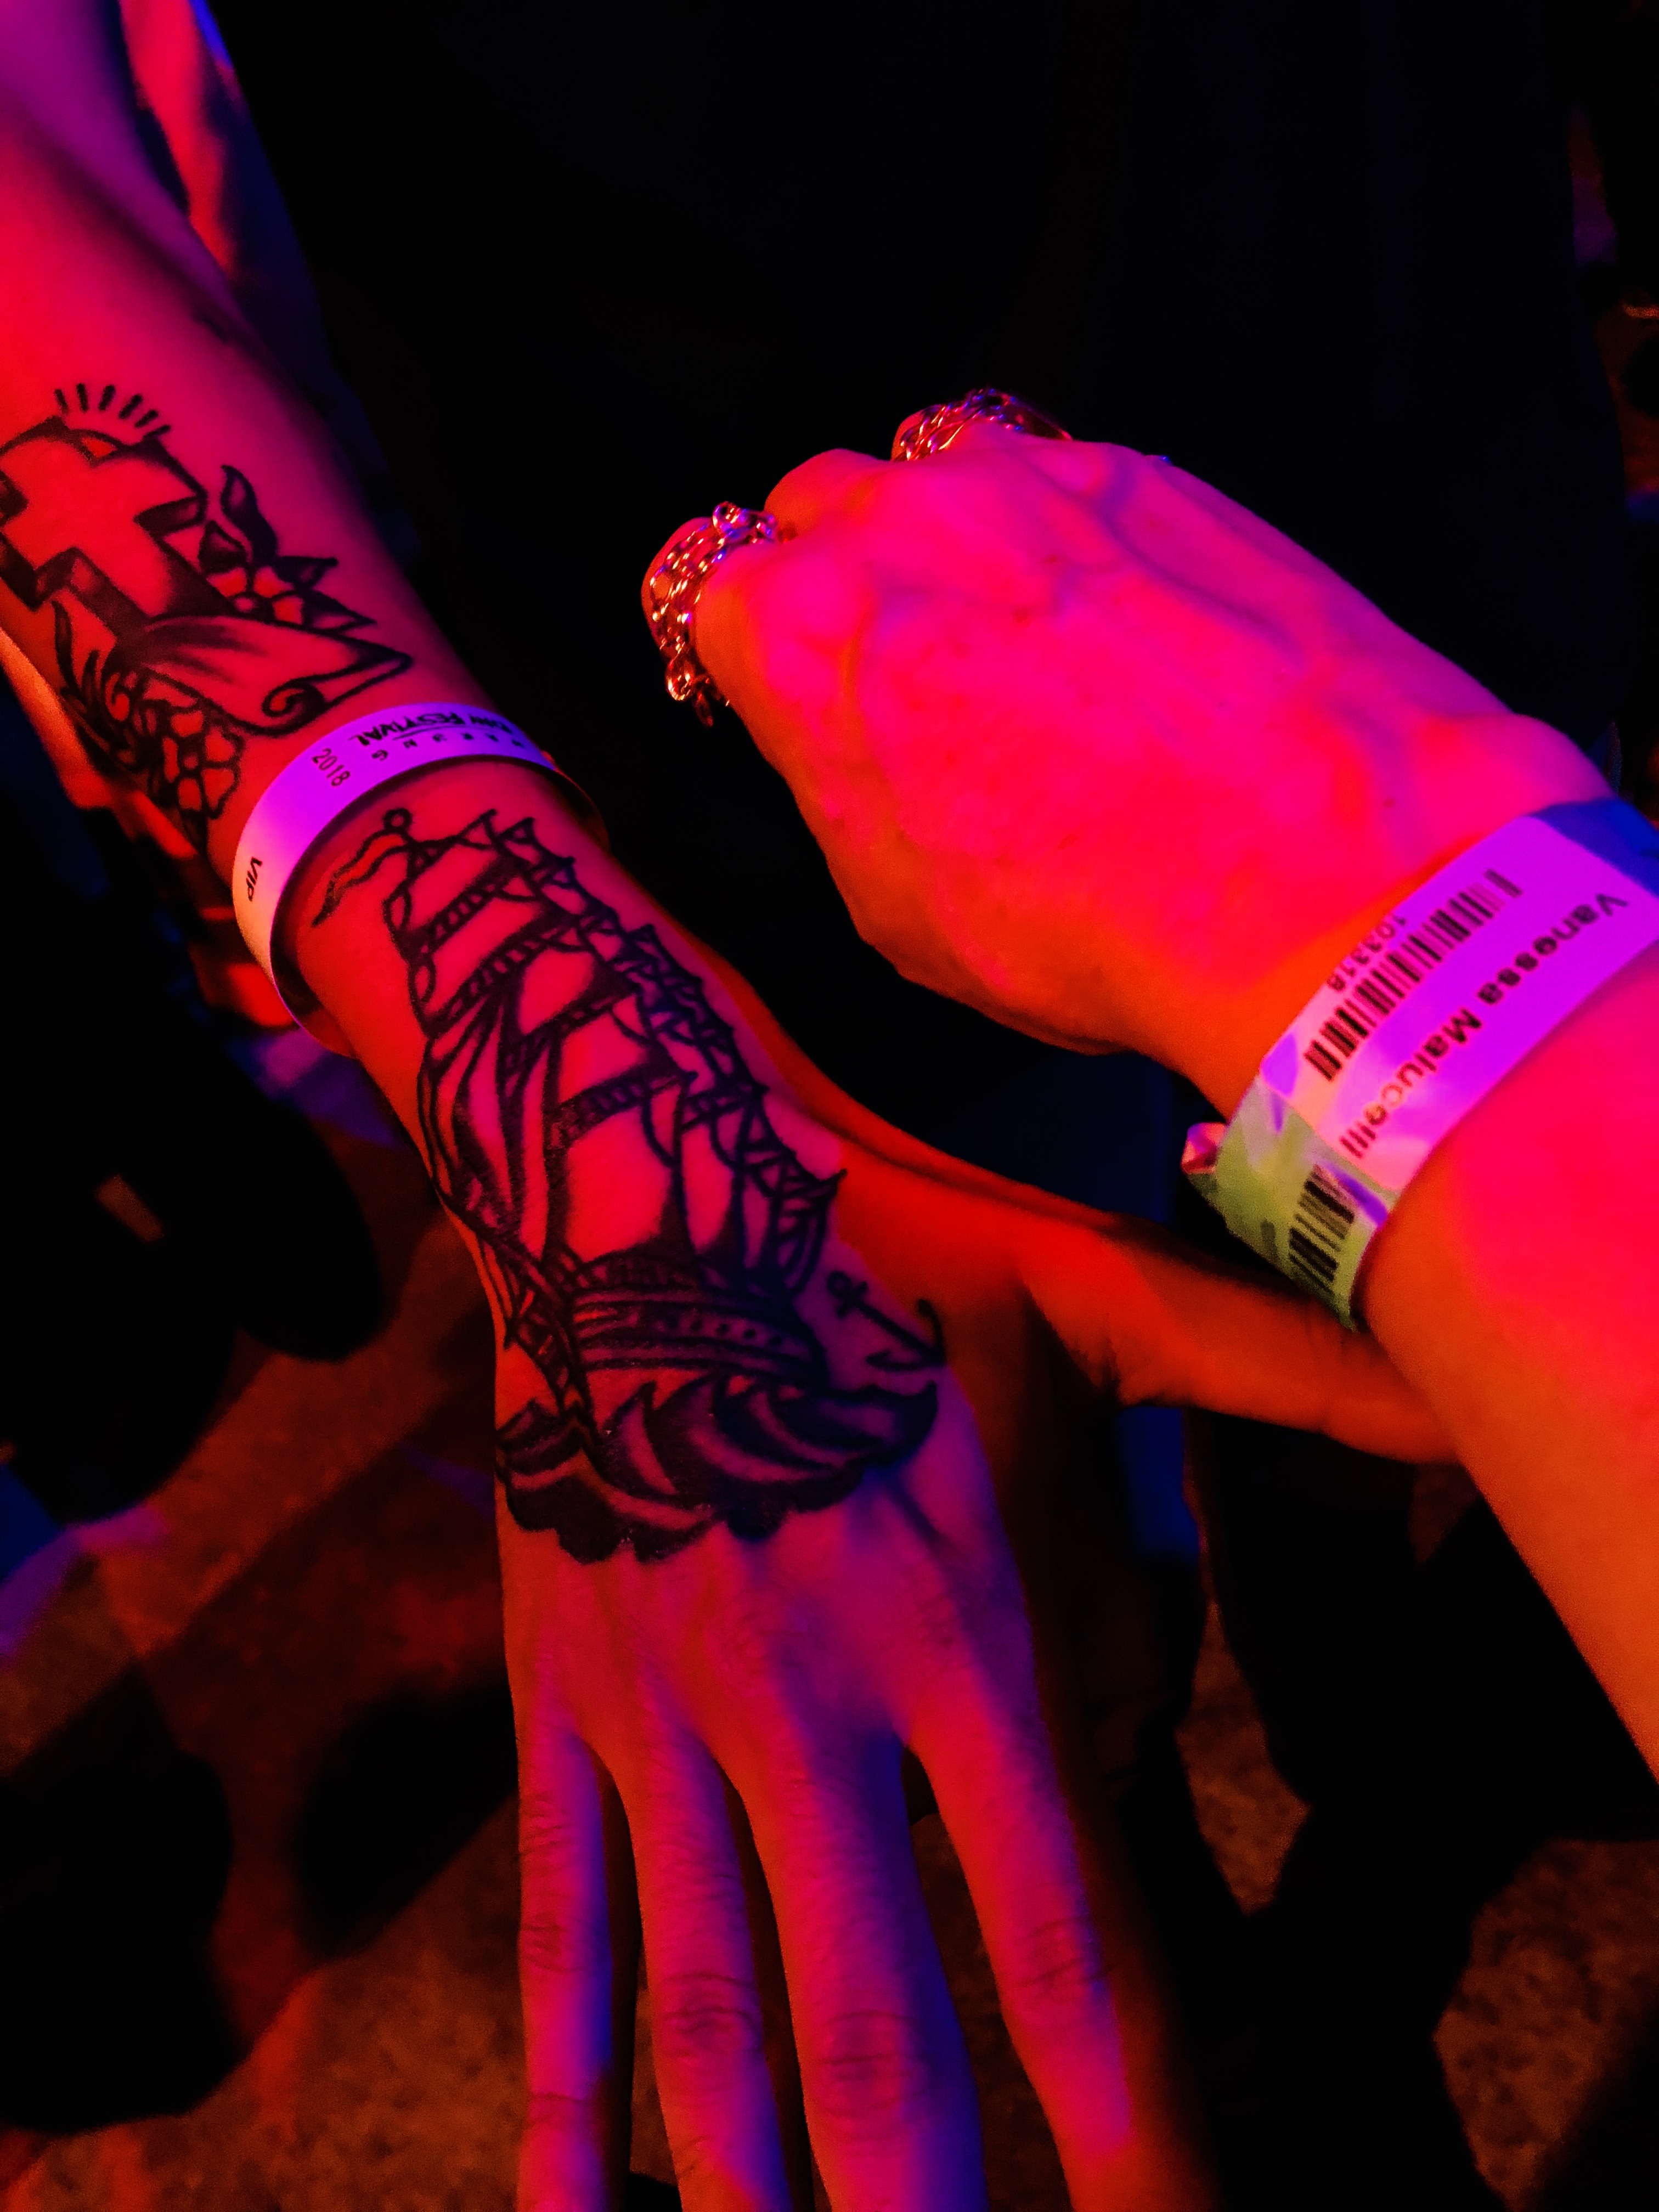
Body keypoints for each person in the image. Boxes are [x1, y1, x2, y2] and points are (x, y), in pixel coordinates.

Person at [0, 8, 1454, 2205]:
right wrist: (555, 1058)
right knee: (1060, 1661)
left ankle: (1377, 1806)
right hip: (799, 854)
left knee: (1382, 1529)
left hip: (1443, 635)